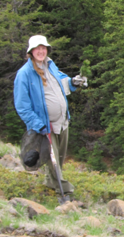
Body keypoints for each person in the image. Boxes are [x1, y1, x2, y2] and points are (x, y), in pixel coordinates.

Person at [14, 35, 88, 202]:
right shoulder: (24, 74)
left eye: (43, 48)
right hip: (45, 126)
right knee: (53, 160)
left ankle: (50, 182)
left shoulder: (50, 66)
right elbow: (22, 106)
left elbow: (63, 84)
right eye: (37, 48)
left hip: (62, 122)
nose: (41, 51)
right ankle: (64, 192)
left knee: (59, 157)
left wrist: (73, 82)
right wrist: (38, 125)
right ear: (31, 51)